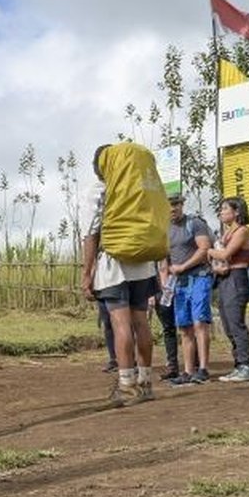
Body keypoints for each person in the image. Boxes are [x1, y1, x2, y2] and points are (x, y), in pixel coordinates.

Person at [80, 144, 157, 405]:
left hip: (114, 264)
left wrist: (87, 273)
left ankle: (127, 386)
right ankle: (145, 383)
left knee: (120, 323)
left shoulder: (99, 191)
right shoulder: (138, 188)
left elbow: (91, 233)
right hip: (144, 263)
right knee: (141, 322)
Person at [164, 195, 215, 385]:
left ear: (181, 205)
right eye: (169, 205)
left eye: (176, 204)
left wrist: (183, 266)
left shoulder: (194, 223)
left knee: (199, 322)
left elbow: (204, 249)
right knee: (184, 327)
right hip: (178, 282)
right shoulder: (165, 229)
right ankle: (187, 371)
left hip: (199, 276)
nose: (172, 209)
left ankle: (203, 368)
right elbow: (164, 257)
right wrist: (165, 280)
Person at [209, 197, 249, 382]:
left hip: (237, 279)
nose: (221, 212)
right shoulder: (228, 232)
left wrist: (208, 251)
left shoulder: (243, 231)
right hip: (224, 279)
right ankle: (239, 364)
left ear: (236, 211)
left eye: (224, 209)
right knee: (228, 324)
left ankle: (246, 365)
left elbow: (226, 254)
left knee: (236, 323)